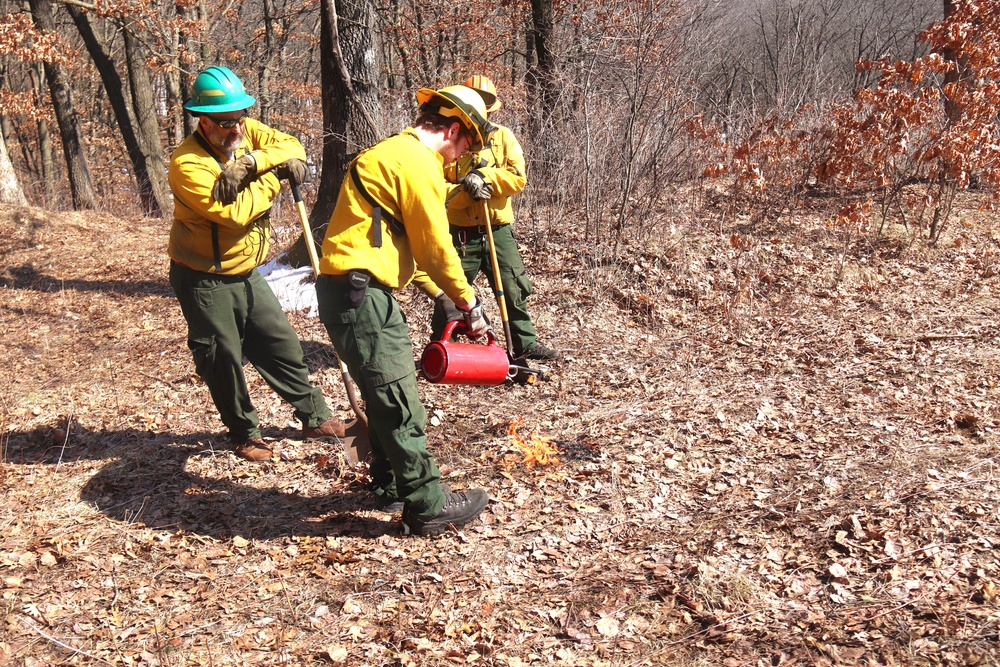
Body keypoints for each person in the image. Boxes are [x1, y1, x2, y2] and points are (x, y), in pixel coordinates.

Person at [316, 85, 493, 536]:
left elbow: (399, 245)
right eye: (465, 146)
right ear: (453, 130)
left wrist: (441, 294)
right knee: (399, 401)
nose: (459, 159)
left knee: (382, 392)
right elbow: (436, 247)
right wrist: (468, 301)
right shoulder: (418, 163)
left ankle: (390, 483)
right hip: (362, 297)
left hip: (354, 293)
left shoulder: (394, 153)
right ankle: (427, 504)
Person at [167, 65, 345, 462]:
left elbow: (292, 145)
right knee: (222, 356)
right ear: (202, 119)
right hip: (204, 277)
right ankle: (244, 431)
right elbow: (236, 212)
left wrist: (250, 164)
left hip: (247, 270)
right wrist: (273, 176)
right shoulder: (187, 164)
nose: (236, 131)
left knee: (279, 342)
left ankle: (314, 416)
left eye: (240, 119)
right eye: (225, 123)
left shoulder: (245, 129)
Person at [433, 75, 561, 361]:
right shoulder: (449, 139)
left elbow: (518, 178)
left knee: (512, 286)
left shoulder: (503, 137)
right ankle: (442, 348)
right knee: (453, 290)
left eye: (484, 100)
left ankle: (523, 344)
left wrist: (485, 176)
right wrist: (465, 189)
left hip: (497, 229)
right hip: (461, 233)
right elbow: (435, 184)